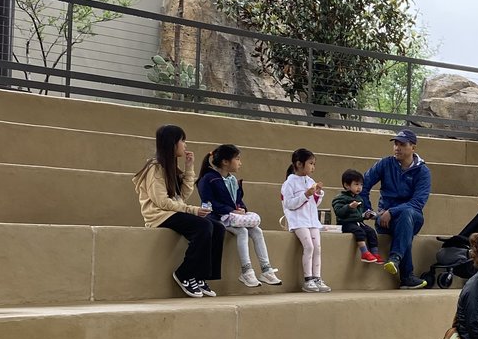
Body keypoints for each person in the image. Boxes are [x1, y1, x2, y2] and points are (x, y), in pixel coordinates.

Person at [132, 124, 224, 298]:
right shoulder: (155, 168)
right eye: (182, 141)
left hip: (172, 212)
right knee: (203, 227)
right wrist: (192, 210)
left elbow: (182, 194)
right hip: (158, 216)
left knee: (218, 227)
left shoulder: (170, 167)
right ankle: (185, 273)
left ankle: (201, 275)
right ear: (172, 143)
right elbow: (162, 202)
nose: (185, 145)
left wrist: (189, 167)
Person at [197, 143, 282, 288]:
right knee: (242, 232)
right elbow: (209, 202)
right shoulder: (208, 179)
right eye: (237, 159)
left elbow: (238, 201)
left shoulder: (232, 181)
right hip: (217, 218)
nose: (240, 163)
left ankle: (266, 269)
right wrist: (230, 210)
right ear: (225, 162)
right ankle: (246, 271)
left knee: (257, 231)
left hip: (232, 218)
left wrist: (241, 209)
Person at [362, 128, 431, 289]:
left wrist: (392, 212)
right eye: (395, 144)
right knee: (403, 227)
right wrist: (368, 210)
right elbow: (363, 185)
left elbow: (418, 202)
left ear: (413, 148)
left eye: (402, 144)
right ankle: (406, 276)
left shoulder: (423, 171)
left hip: (413, 217)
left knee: (406, 214)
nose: (397, 148)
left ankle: (395, 258)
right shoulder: (385, 163)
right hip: (384, 219)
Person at [281, 147, 331, 293]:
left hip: (312, 221)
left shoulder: (310, 181)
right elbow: (289, 204)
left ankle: (317, 277)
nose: (313, 167)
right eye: (310, 163)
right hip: (298, 221)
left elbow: (314, 204)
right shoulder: (289, 183)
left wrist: (318, 194)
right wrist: (306, 194)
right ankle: (308, 279)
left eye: (314, 164)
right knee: (308, 246)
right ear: (298, 164)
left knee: (317, 248)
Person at [332, 169, 383, 263]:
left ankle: (375, 253)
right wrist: (349, 207)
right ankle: (364, 252)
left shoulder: (359, 198)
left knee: (371, 231)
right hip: (346, 223)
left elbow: (358, 215)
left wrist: (366, 215)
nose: (359, 187)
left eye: (361, 185)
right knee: (359, 231)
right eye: (356, 184)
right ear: (347, 185)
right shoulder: (340, 198)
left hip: (358, 222)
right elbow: (339, 212)